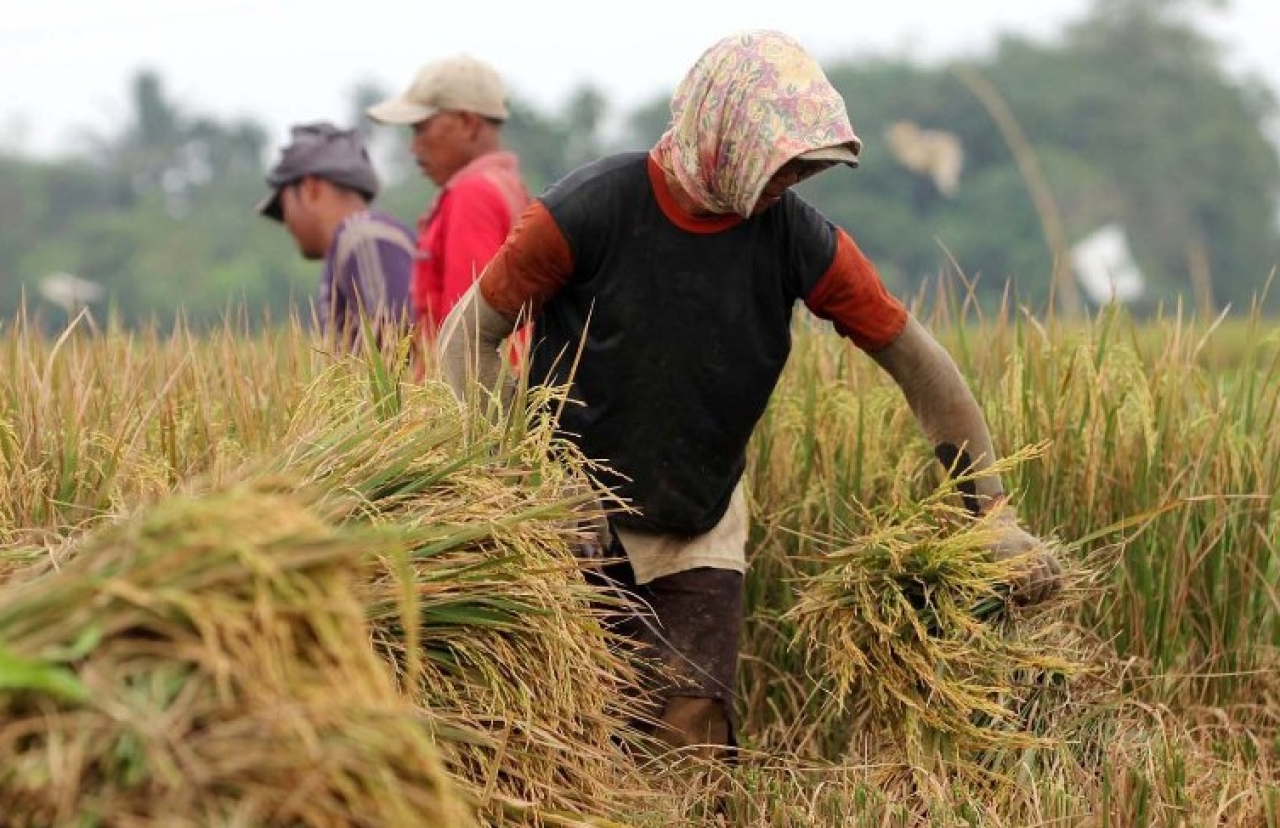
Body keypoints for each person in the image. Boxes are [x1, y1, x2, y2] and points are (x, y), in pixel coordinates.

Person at [437, 30, 1063, 758]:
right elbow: (466, 339)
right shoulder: (586, 213)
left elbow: (918, 363)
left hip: (696, 515)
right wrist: (536, 482)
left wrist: (992, 514)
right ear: (721, 136)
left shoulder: (799, 239)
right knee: (567, 734)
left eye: (802, 169)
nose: (790, 183)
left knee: (691, 736)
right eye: (781, 164)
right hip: (566, 514)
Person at [366, 54, 530, 375]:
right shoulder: (509, 188)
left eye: (421, 129)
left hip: (468, 412)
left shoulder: (472, 196)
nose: (414, 148)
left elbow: (468, 337)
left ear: (468, 124)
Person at [257, 122, 413, 351]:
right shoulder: (351, 244)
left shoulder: (362, 236)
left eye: (283, 206)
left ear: (311, 188)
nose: (287, 224)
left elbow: (396, 352)